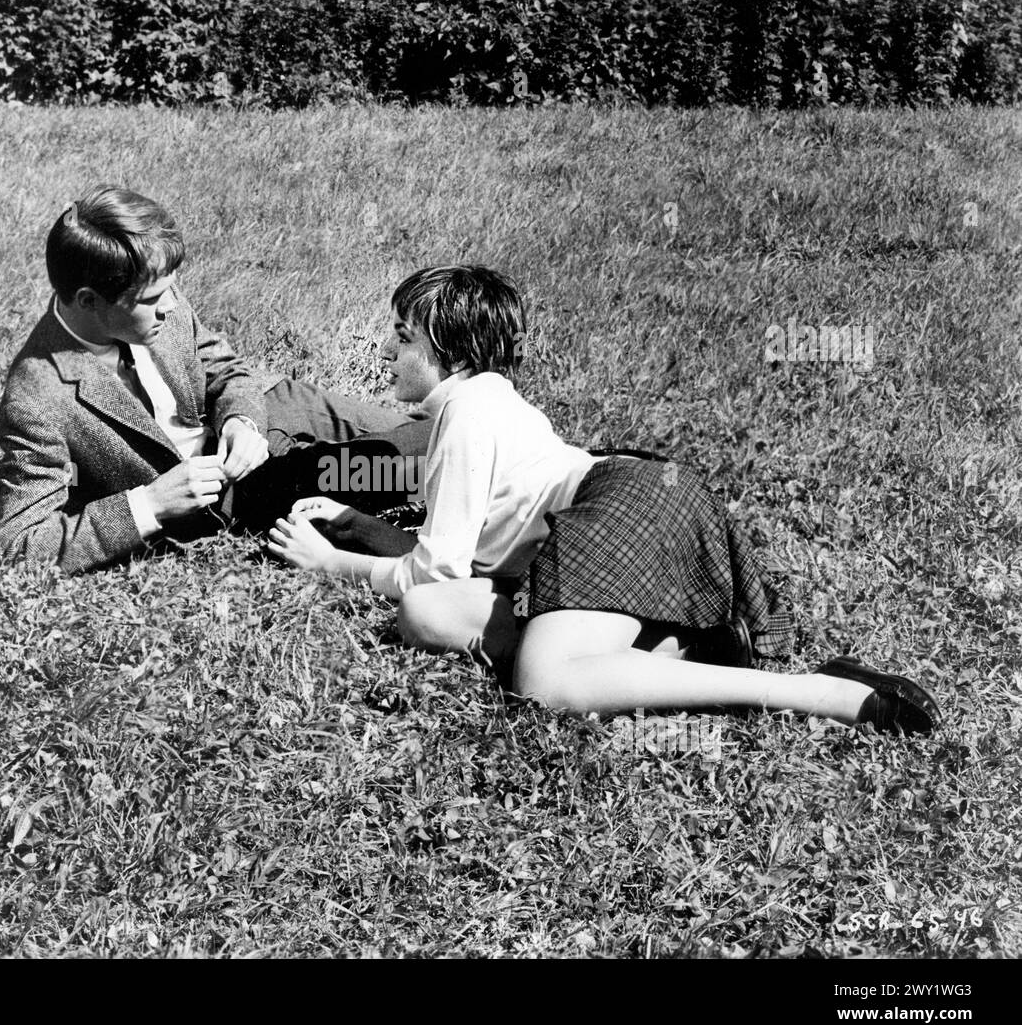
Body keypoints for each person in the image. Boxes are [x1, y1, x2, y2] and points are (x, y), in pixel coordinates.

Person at [267, 265, 940, 734]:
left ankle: (822, 692)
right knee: (426, 611)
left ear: (452, 352)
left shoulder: (463, 407)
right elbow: (457, 562)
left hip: (619, 507)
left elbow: (442, 562)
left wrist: (331, 562)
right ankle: (661, 654)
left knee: (543, 681)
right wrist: (359, 523)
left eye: (403, 336)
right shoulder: (490, 400)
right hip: (642, 504)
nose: (386, 350)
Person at [0, 184, 430, 574]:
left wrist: (242, 421)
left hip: (272, 405)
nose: (170, 307)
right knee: (429, 456)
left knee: (437, 434)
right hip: (252, 489)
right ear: (88, 301)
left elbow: (224, 369)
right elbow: (19, 545)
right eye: (153, 300)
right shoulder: (37, 395)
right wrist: (150, 504)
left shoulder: (154, 291)